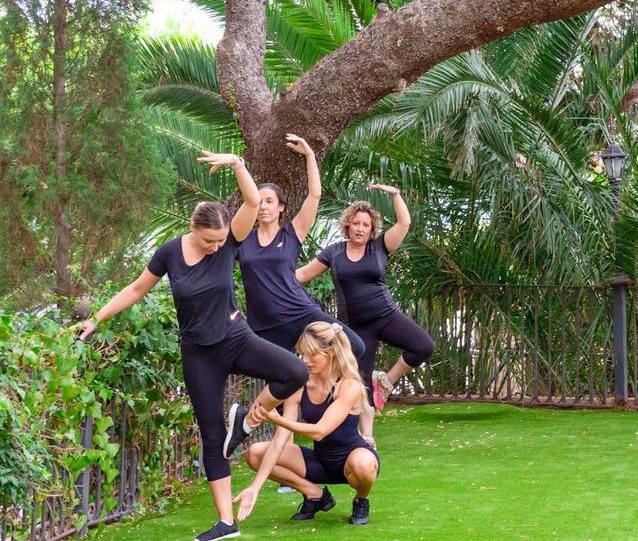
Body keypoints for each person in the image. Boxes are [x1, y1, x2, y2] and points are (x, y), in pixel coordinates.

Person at [71, 151, 309, 541]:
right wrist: (95, 319)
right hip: (199, 353)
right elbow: (135, 288)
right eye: (210, 240)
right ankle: (226, 523)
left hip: (236, 338)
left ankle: (246, 421)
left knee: (295, 372)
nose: (217, 247)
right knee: (212, 437)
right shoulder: (169, 253)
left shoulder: (231, 240)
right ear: (193, 229)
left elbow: (251, 201)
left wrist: (237, 164)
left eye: (221, 240)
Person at [297, 185, 434, 444]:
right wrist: (271, 277)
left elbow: (404, 223)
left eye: (366, 225)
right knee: (360, 386)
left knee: (424, 346)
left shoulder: (379, 247)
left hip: (387, 315)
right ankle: (367, 439)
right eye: (356, 223)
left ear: (372, 229)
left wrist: (395, 195)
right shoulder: (334, 252)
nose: (360, 228)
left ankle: (387, 380)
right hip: (356, 328)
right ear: (347, 225)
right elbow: (302, 275)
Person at [233, 321, 379, 526]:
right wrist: (255, 487)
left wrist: (278, 419)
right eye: (302, 354)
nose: (305, 360)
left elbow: (320, 432)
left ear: (331, 353)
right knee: (255, 453)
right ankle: (315, 495)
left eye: (312, 354)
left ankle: (361, 500)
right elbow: (280, 439)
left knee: (363, 464)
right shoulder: (300, 384)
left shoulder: (349, 385)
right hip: (320, 461)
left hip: (352, 460)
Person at [236, 134, 365, 358]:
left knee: (355, 346)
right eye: (259, 201)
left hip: (300, 313)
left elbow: (314, 195)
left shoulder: (291, 234)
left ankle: (326, 388)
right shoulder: (241, 238)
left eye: (269, 201)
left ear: (281, 207)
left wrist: (310, 155)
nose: (263, 207)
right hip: (265, 325)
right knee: (280, 383)